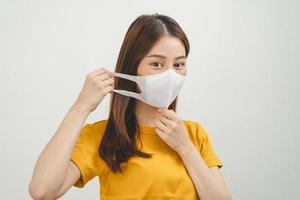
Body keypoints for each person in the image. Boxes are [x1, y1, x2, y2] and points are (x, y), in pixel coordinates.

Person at [29, 14, 232, 200]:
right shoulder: (104, 137)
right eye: (156, 64)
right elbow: (42, 191)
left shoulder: (194, 134)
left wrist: (185, 148)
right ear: (132, 67)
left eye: (178, 64)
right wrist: (81, 107)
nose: (170, 75)